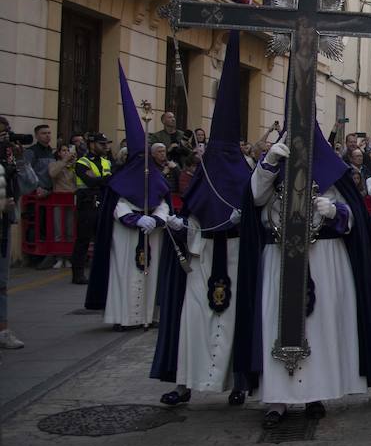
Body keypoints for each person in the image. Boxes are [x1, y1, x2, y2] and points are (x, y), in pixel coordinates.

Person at [235, 118, 371, 428]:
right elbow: (255, 197)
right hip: (279, 257)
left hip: (324, 259)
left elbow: (353, 219)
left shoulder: (332, 172)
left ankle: (316, 394)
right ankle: (277, 399)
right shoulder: (275, 163)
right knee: (276, 323)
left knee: (322, 328)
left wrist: (335, 211)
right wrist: (269, 163)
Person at [151, 32, 254, 408]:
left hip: (237, 257)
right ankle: (185, 384)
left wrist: (245, 219)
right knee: (193, 321)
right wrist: (181, 226)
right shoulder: (202, 177)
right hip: (203, 257)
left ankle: (240, 381)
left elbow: (259, 213)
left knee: (237, 320)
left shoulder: (245, 175)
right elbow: (186, 213)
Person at [84, 66, 172, 329]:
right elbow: (117, 208)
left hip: (151, 236)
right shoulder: (120, 180)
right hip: (125, 237)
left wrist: (156, 219)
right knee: (124, 274)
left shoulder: (155, 177)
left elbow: (165, 203)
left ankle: (147, 316)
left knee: (150, 276)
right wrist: (136, 219)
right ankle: (123, 318)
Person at [70, 133, 112, 285]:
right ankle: (78, 274)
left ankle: (102, 272)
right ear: (92, 144)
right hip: (87, 204)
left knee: (104, 239)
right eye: (102, 144)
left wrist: (101, 180)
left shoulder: (106, 162)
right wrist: (104, 180)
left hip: (102, 202)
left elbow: (108, 181)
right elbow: (90, 181)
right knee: (83, 240)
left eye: (106, 143)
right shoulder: (82, 162)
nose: (105, 147)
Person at [21, 123, 57, 268]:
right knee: (35, 225)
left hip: (50, 193)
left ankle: (45, 255)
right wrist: (36, 189)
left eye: (49, 133)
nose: (47, 135)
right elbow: (26, 172)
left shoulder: (51, 152)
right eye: (43, 133)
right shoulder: (31, 152)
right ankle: (34, 257)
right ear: (36, 136)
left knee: (46, 226)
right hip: (35, 195)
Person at [0, 150, 22, 349]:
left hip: (3, 231)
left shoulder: (7, 167)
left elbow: (28, 184)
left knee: (2, 284)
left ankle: (3, 331)